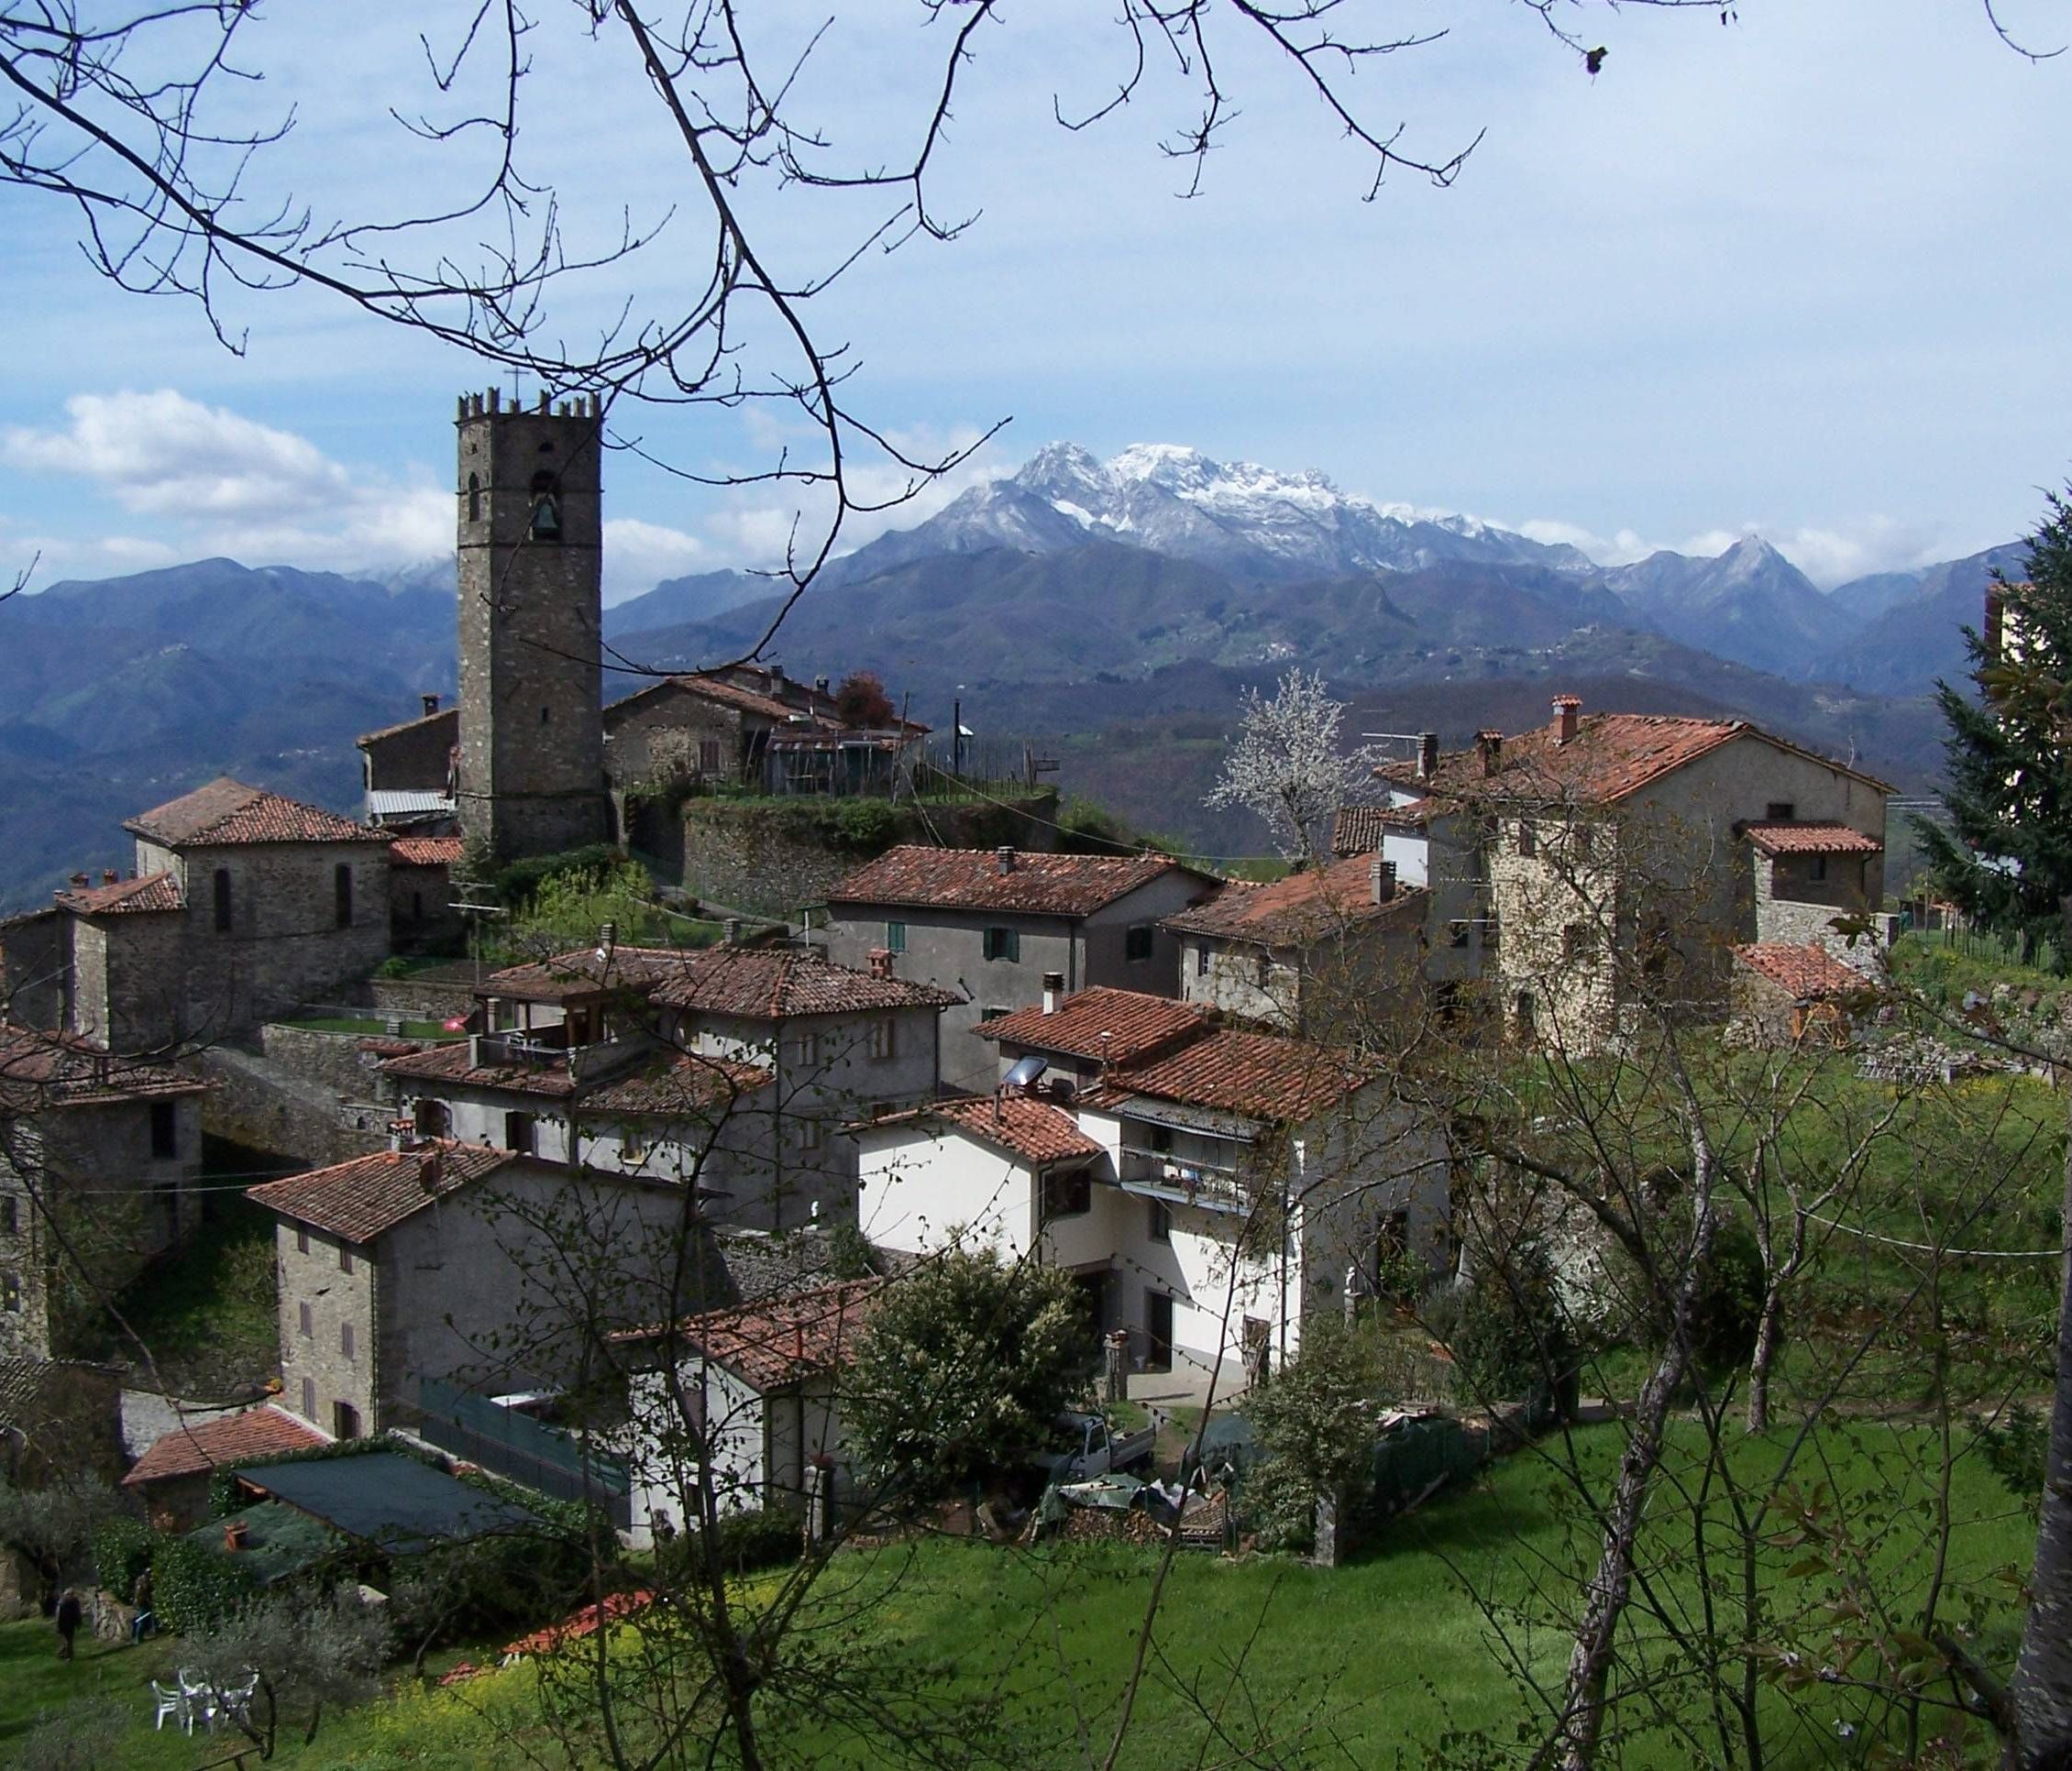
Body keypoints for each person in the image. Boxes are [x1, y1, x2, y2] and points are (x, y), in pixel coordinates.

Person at [54, 1588, 82, 1660]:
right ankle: (68, 1655)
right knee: (68, 1640)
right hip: (69, 1623)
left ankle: (62, 1654)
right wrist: (78, 1622)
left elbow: (58, 1615)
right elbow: (77, 1613)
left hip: (63, 1623)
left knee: (67, 1640)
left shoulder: (61, 1601)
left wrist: (57, 1625)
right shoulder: (74, 1601)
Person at [131, 1568, 156, 1644]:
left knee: (145, 1618)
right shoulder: (143, 1580)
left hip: (144, 1601)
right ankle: (138, 1638)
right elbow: (141, 1592)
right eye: (149, 1573)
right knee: (142, 1619)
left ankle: (141, 1636)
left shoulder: (144, 1580)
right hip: (143, 1602)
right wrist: (148, 1601)